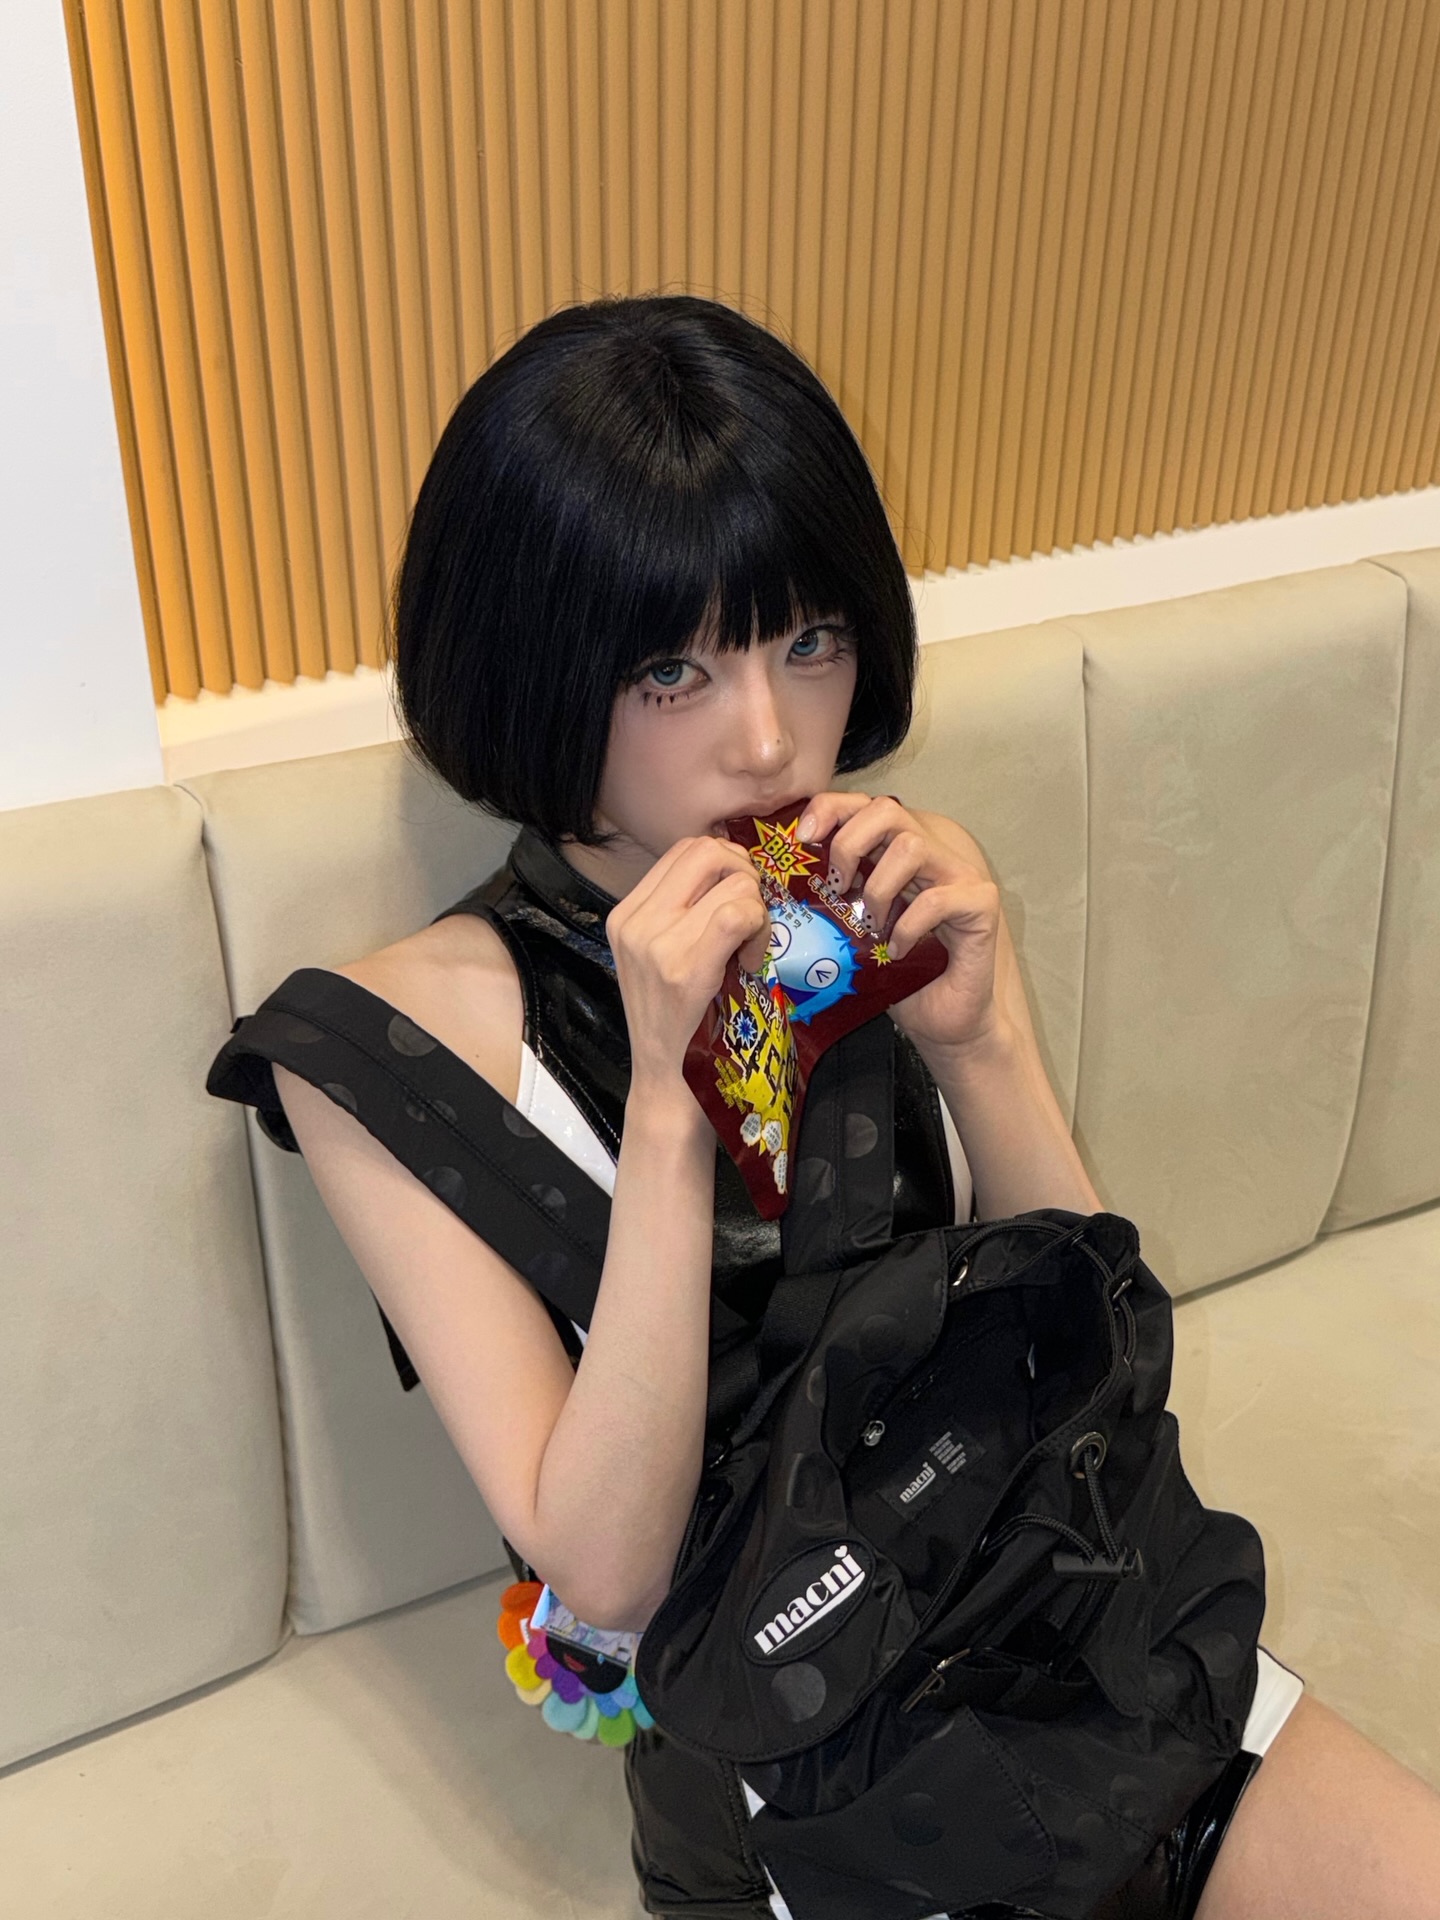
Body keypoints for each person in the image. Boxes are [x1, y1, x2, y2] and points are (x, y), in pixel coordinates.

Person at [242, 294, 1440, 1918]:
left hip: (1075, 1630)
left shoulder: (880, 890)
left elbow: (1089, 1335)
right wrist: (670, 1111)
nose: (768, 737)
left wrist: (984, 1038)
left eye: (809, 641)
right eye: (674, 667)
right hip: (802, 1780)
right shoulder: (381, 1051)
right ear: (536, 666)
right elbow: (606, 1578)